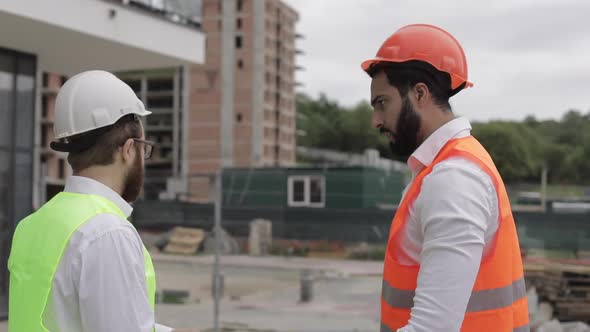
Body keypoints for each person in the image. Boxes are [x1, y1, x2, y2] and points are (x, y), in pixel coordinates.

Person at [361, 24, 529, 331]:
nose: (376, 121)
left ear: (419, 93)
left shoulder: (453, 178)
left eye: (382, 103)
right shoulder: (444, 168)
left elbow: (432, 328)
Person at [8, 70, 197, 332]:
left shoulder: (32, 225)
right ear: (129, 149)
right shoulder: (107, 232)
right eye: (144, 148)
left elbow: (67, 318)